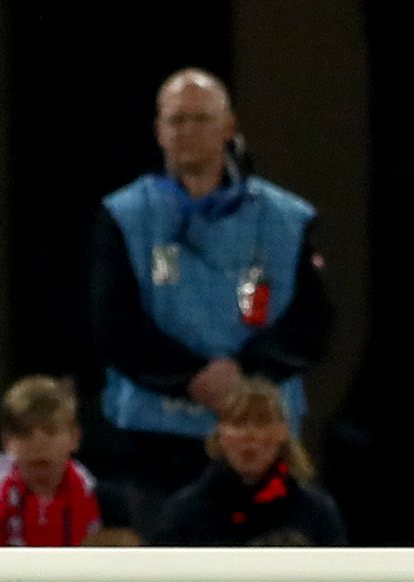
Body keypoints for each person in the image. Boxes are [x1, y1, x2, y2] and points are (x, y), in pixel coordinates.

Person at [91, 69, 332, 501]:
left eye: (202, 119)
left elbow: (312, 322)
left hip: (261, 436)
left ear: (228, 127)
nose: (188, 131)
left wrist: (243, 375)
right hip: (153, 441)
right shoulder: (126, 216)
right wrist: (191, 376)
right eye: (177, 120)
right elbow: (114, 321)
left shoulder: (286, 219)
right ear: (159, 131)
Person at [149, 378, 346, 547]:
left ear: (283, 432)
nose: (249, 435)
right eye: (239, 422)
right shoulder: (186, 510)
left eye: (262, 422)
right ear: (220, 434)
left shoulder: (316, 512)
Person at [0, 377, 140, 547]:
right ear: (7, 441)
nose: (39, 445)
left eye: (51, 431)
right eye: (25, 434)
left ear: (74, 437)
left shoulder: (109, 507)